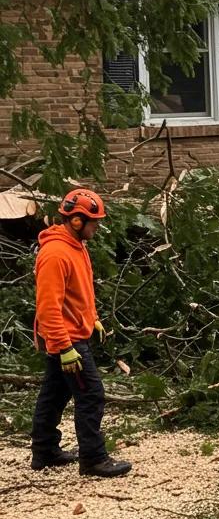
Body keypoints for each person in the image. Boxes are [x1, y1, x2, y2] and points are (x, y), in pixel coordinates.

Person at [31, 190, 132, 477]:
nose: (96, 228)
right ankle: (93, 458)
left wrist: (93, 318)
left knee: (54, 394)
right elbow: (48, 307)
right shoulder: (55, 254)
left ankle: (45, 451)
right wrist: (64, 347)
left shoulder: (76, 246)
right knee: (91, 395)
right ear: (76, 221)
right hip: (66, 337)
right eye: (94, 223)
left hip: (74, 330)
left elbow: (79, 293)